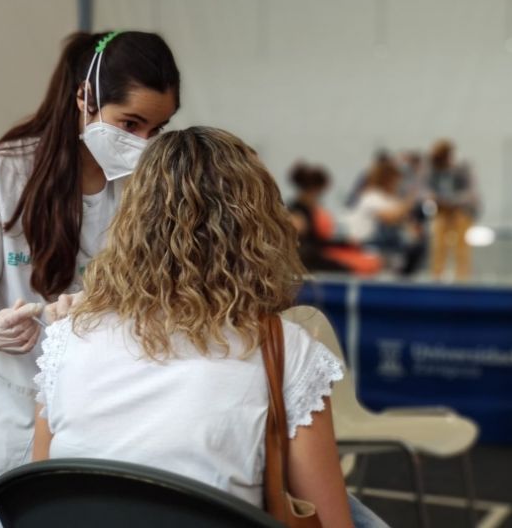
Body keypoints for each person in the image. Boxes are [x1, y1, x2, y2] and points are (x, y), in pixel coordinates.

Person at [33, 127, 355, 527]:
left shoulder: (67, 340)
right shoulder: (285, 351)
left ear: (131, 223)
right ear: (259, 229)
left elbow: (39, 493)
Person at [0, 30, 180, 527]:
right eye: (130, 123)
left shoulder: (147, 185)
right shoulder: (2, 175)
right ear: (84, 98)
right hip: (9, 416)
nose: (141, 143)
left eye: (157, 129)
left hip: (103, 421)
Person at [345, 159, 424, 275]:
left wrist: (414, 230)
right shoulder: (371, 197)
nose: (398, 184)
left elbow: (404, 219)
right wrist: (411, 198)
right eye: (396, 180)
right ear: (388, 180)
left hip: (387, 248)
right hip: (365, 247)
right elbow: (390, 216)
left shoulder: (391, 200)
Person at [427, 139, 479, 280]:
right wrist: (435, 198)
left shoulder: (463, 167)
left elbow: (471, 193)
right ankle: (436, 277)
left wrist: (452, 201)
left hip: (461, 211)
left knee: (461, 247)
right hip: (442, 211)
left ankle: (462, 278)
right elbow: (427, 188)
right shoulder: (434, 168)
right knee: (438, 245)